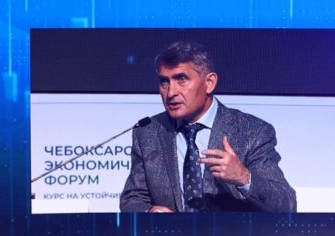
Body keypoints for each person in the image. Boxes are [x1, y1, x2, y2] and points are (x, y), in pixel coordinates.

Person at [120, 41, 295, 213]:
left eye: (181, 79)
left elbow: (286, 204)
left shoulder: (252, 132)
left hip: (231, 233)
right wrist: (150, 212)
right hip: (170, 233)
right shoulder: (148, 132)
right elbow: (132, 200)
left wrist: (243, 177)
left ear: (209, 83)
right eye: (164, 81)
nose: (171, 92)